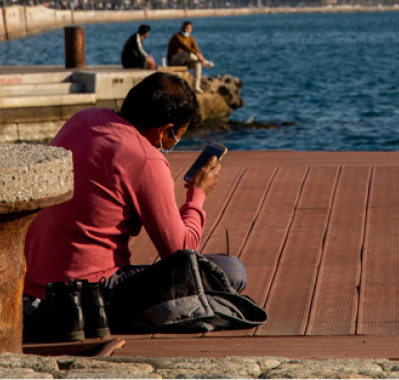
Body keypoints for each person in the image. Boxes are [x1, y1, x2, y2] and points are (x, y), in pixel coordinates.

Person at [23, 73, 246, 332]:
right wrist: (198, 193)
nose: (170, 145)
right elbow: (181, 255)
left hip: (38, 285)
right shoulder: (146, 158)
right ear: (165, 130)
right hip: (92, 296)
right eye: (176, 137)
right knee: (233, 271)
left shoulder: (83, 119)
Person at [166, 21, 214, 91]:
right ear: (181, 27)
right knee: (186, 53)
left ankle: (196, 87)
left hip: (185, 61)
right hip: (174, 60)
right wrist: (199, 56)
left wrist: (200, 56)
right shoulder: (176, 36)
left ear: (191, 29)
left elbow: (196, 49)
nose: (186, 29)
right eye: (184, 27)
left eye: (188, 28)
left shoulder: (191, 38)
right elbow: (185, 47)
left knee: (198, 63)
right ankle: (204, 62)